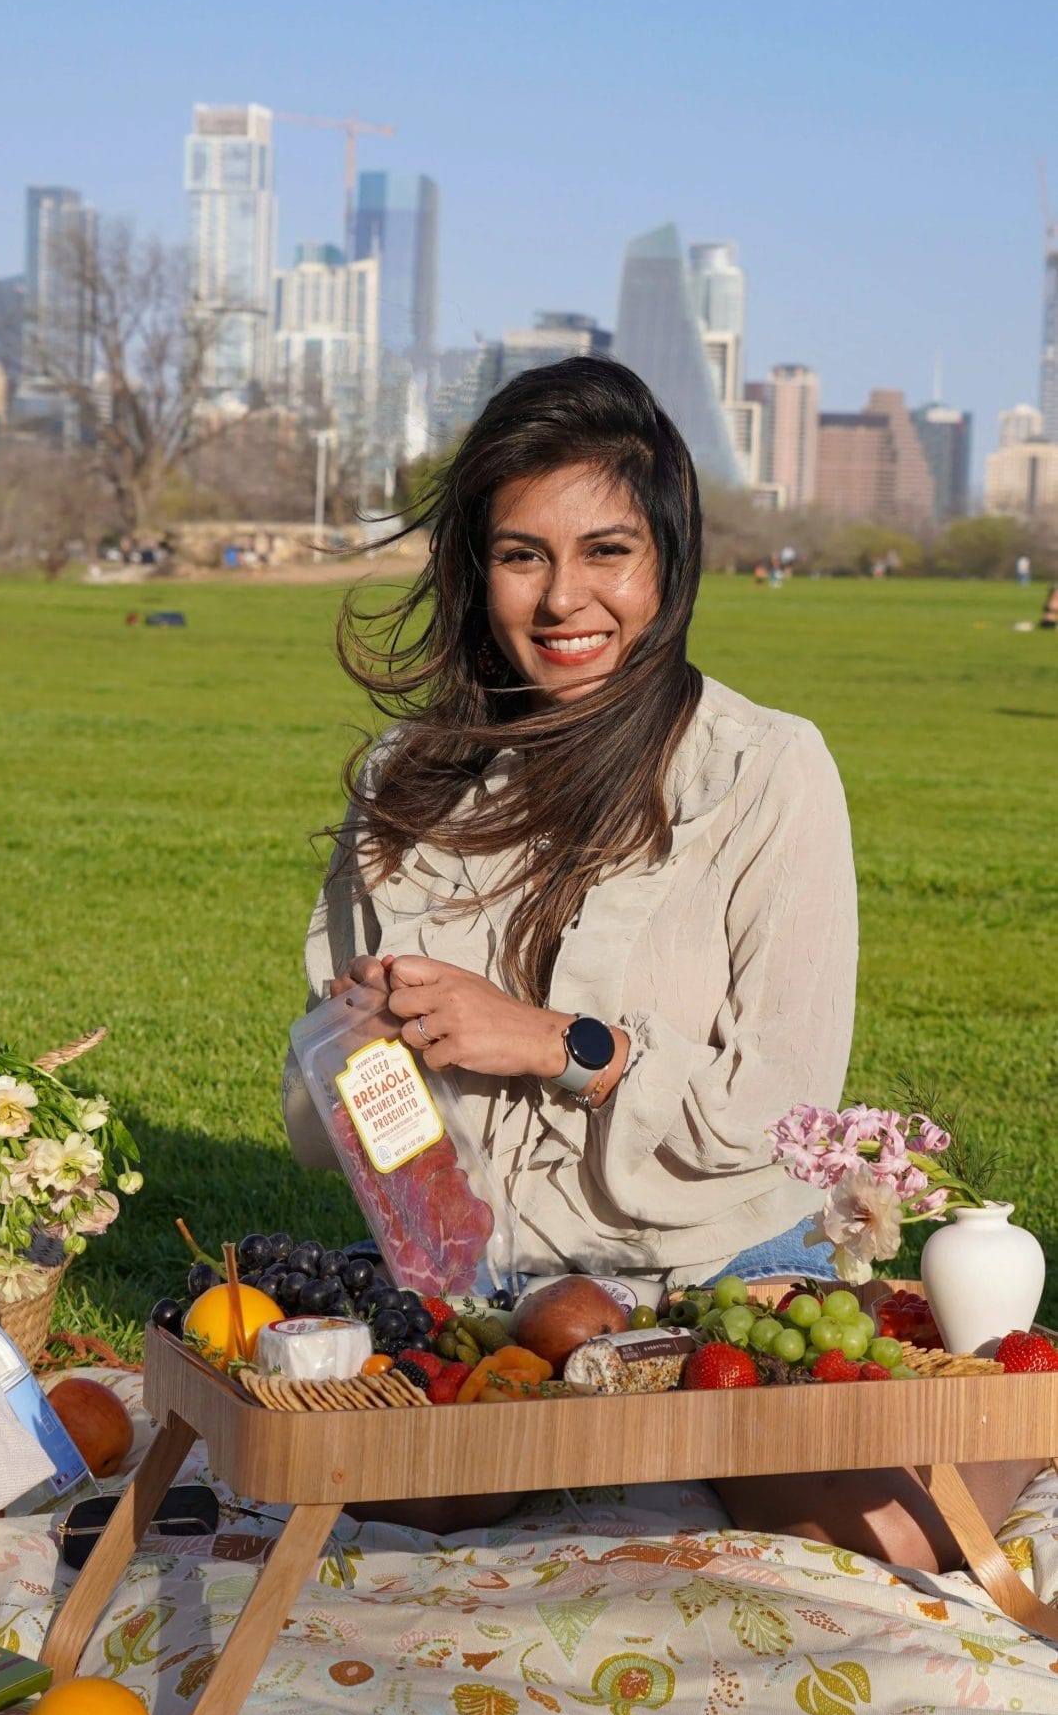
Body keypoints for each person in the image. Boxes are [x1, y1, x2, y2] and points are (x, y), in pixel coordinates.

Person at [283, 356, 1038, 1562]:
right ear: (478, 574)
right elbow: (322, 1129)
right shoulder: (405, 783)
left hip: (721, 1266)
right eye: (522, 554)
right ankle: (639, 1449)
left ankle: (848, 1419)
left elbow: (780, 1111)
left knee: (890, 1538)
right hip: (493, 1286)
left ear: (669, 565)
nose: (563, 599)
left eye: (606, 553)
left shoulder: (767, 771)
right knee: (397, 1500)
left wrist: (553, 1043)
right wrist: (356, 1061)